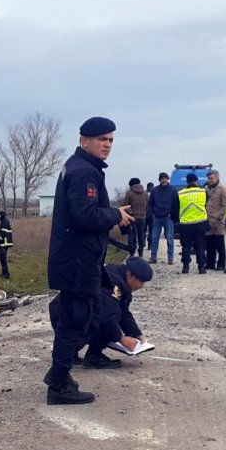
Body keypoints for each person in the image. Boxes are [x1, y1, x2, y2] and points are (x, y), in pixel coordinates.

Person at [44, 116, 134, 405]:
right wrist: (115, 215)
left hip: (81, 260)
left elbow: (85, 210)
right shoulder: (84, 172)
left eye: (110, 140)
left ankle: (59, 375)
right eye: (101, 140)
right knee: (77, 320)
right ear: (84, 140)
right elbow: (85, 216)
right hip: (77, 262)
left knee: (88, 316)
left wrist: (110, 211)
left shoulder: (82, 167)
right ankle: (59, 384)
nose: (107, 145)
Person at [54, 256, 154, 369]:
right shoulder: (113, 282)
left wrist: (136, 334)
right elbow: (107, 316)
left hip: (67, 311)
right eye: (141, 281)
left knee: (108, 313)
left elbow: (124, 312)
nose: (141, 286)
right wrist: (121, 338)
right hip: (65, 313)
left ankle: (70, 352)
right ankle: (93, 356)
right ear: (130, 274)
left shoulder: (120, 280)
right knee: (107, 318)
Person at [174, 173, 208, 274]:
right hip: (200, 223)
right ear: (197, 181)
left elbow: (175, 209)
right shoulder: (203, 192)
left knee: (186, 246)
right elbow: (207, 205)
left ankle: (185, 267)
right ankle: (201, 267)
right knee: (200, 246)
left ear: (187, 181)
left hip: (185, 224)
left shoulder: (180, 194)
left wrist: (177, 222)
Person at [148, 172, 178, 264]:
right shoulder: (155, 190)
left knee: (169, 239)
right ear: (159, 179)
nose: (164, 180)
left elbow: (176, 203)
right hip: (157, 217)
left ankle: (170, 258)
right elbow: (150, 203)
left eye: (165, 178)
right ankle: (153, 257)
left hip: (168, 217)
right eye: (162, 178)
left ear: (168, 179)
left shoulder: (173, 190)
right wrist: (151, 214)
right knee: (154, 239)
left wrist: (173, 215)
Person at [204, 170, 226, 271]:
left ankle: (221, 264)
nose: (209, 180)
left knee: (219, 245)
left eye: (211, 178)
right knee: (209, 244)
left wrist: (218, 217)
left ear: (217, 178)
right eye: (208, 179)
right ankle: (210, 263)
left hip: (218, 222)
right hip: (208, 220)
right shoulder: (206, 189)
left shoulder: (223, 189)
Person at [122, 178, 149, 257]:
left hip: (132, 217)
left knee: (131, 235)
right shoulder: (145, 193)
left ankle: (131, 253)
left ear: (131, 185)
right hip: (142, 217)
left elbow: (125, 205)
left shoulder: (129, 193)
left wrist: (130, 212)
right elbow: (148, 205)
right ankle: (140, 251)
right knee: (141, 234)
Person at [0, 210, 14, 280]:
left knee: (3, 259)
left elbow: (3, 233)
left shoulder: (4, 222)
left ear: (2, 215)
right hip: (4, 243)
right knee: (2, 258)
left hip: (4, 243)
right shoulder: (4, 222)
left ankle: (6, 274)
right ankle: (4, 272)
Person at [144, 181, 155, 253]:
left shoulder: (143, 194)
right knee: (151, 231)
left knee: (143, 230)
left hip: (143, 214)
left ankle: (142, 243)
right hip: (152, 214)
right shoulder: (154, 193)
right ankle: (150, 245)